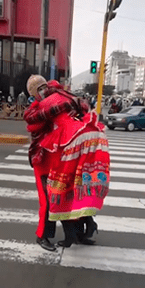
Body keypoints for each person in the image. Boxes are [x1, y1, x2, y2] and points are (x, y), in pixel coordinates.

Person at [24, 76, 110, 249]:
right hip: (46, 161)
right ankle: (44, 236)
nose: (42, 91)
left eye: (43, 87)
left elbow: (82, 106)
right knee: (50, 201)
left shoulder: (57, 101)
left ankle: (77, 233)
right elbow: (32, 124)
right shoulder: (46, 107)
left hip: (62, 158)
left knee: (69, 196)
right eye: (38, 90)